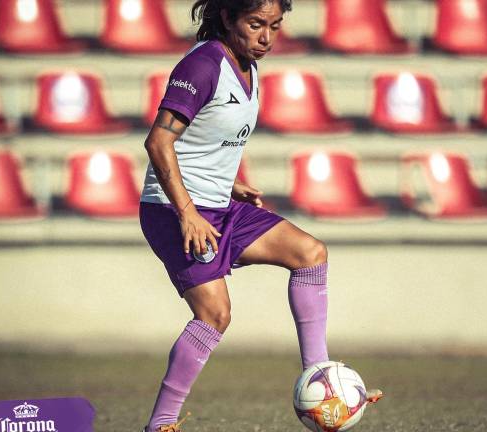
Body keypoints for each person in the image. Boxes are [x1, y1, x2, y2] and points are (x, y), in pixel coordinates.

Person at [139, 1, 381, 430]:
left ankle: (322, 380)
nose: (266, 37)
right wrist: (188, 212)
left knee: (310, 253)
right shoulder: (203, 65)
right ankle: (161, 424)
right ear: (228, 18)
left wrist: (230, 184)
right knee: (214, 315)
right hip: (174, 211)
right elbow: (159, 142)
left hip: (217, 204)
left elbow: (203, 141)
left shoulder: (248, 65)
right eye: (255, 24)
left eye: (274, 26)